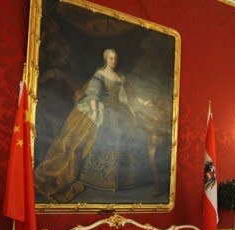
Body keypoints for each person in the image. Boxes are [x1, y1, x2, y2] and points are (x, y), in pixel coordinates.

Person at [35, 48, 153, 202]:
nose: (113, 61)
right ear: (106, 59)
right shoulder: (100, 75)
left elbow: (127, 95)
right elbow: (92, 94)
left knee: (130, 135)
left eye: (115, 58)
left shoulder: (120, 77)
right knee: (109, 133)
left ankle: (125, 180)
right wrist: (95, 111)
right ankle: (99, 178)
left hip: (120, 110)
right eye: (111, 58)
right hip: (104, 109)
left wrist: (142, 102)